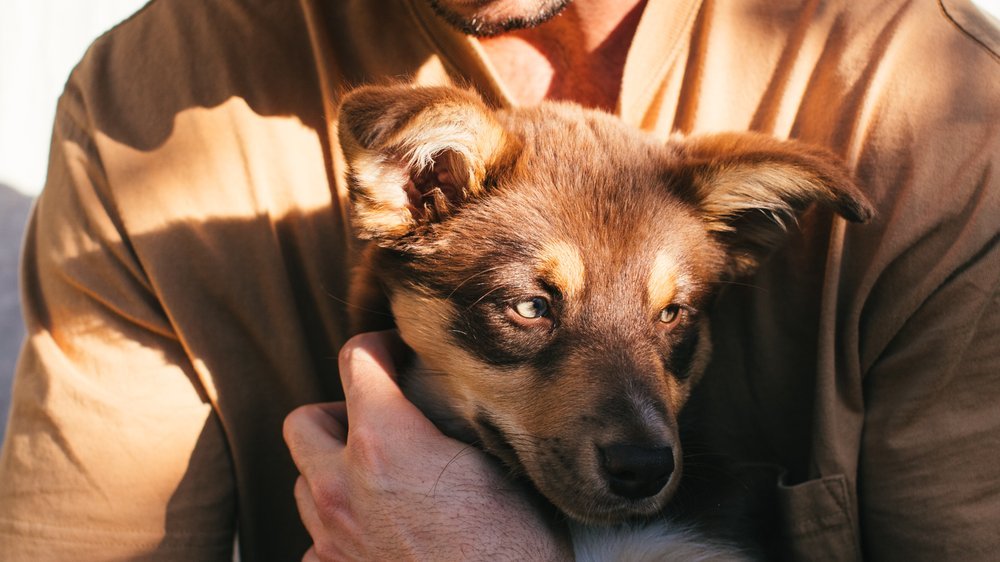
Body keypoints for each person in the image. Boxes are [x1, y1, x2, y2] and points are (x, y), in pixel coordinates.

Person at [0, 0, 996, 559]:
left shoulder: (940, 117)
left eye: (670, 317)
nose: (636, 426)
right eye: (529, 305)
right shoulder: (147, 103)